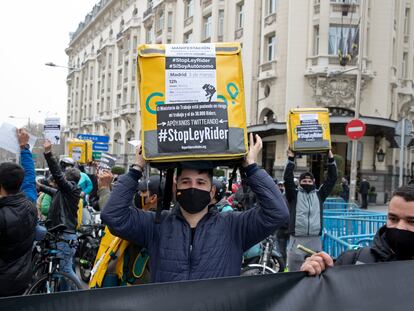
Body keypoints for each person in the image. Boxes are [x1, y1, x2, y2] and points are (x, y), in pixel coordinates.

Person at [101, 134, 289, 282]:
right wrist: (136, 169)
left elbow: (277, 213)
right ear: (176, 188)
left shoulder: (234, 226)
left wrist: (252, 168)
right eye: (186, 181)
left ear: (212, 191)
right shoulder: (156, 224)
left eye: (201, 182)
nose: (193, 187)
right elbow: (113, 216)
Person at [301, 186, 414, 275]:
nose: (400, 227)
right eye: (393, 219)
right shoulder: (352, 261)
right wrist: (318, 276)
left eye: (411, 221)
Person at [90, 172, 163, 288]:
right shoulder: (153, 216)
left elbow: (114, 218)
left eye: (142, 192)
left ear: (153, 198)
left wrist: (104, 189)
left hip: (135, 292)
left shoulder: (150, 223)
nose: (138, 195)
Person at [37, 139, 82, 288]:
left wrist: (49, 154)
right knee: (64, 269)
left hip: (65, 235)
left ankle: (78, 295)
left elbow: (57, 175)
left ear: (67, 179)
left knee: (65, 269)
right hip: (63, 234)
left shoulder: (70, 189)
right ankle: (65, 296)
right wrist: (39, 186)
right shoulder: (64, 193)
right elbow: (51, 190)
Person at [283, 149, 337, 271]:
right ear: (300, 183)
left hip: (315, 240)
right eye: (304, 181)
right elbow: (288, 178)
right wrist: (291, 159)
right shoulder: (294, 195)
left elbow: (332, 179)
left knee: (316, 271)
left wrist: (331, 158)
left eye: (309, 181)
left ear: (314, 182)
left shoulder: (320, 195)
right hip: (296, 239)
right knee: (294, 273)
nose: (307, 183)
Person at [0, 129, 37, 297]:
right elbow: (29, 176)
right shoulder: (29, 204)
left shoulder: (3, 215)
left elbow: (28, 177)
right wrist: (24, 147)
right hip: (21, 280)